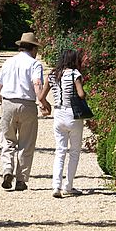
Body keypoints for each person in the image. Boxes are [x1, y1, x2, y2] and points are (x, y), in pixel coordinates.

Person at [0, 32, 48, 191]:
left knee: (7, 141)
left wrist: (4, 105)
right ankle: (21, 180)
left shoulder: (8, 62)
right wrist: (43, 102)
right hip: (27, 106)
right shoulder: (34, 64)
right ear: (32, 49)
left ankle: (7, 170)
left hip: (9, 103)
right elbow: (37, 84)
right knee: (26, 144)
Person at [38, 48, 86, 198]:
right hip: (73, 115)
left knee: (60, 151)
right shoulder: (74, 74)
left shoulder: (53, 75)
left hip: (58, 115)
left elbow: (41, 96)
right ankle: (68, 186)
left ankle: (56, 186)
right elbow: (81, 94)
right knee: (74, 152)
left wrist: (48, 105)